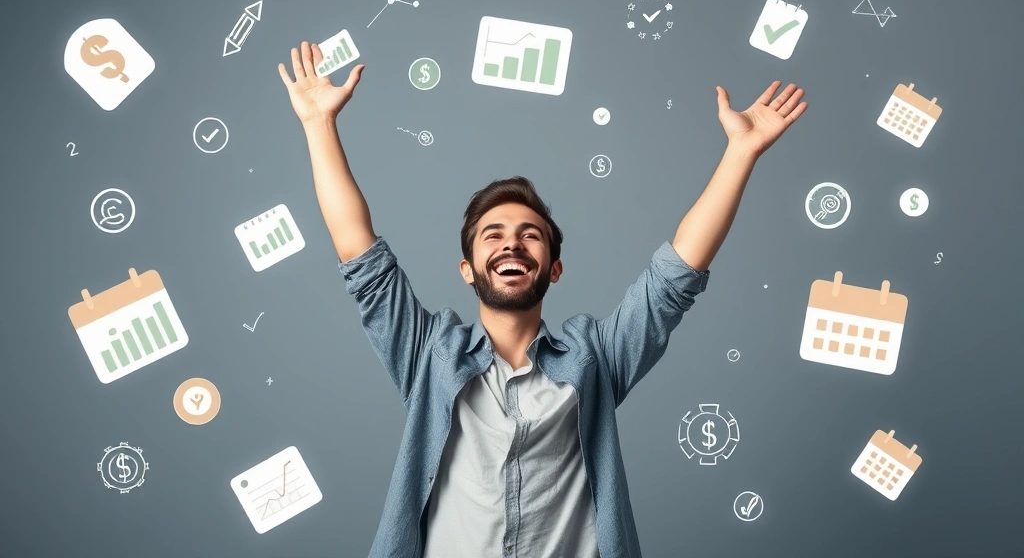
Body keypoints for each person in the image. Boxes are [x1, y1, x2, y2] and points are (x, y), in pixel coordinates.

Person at [279, 41, 807, 558]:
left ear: (553, 268)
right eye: (493, 234)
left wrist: (741, 152)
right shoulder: (427, 354)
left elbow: (674, 278)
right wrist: (317, 125)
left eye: (530, 234)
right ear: (467, 270)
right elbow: (360, 253)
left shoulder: (594, 358)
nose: (511, 241)